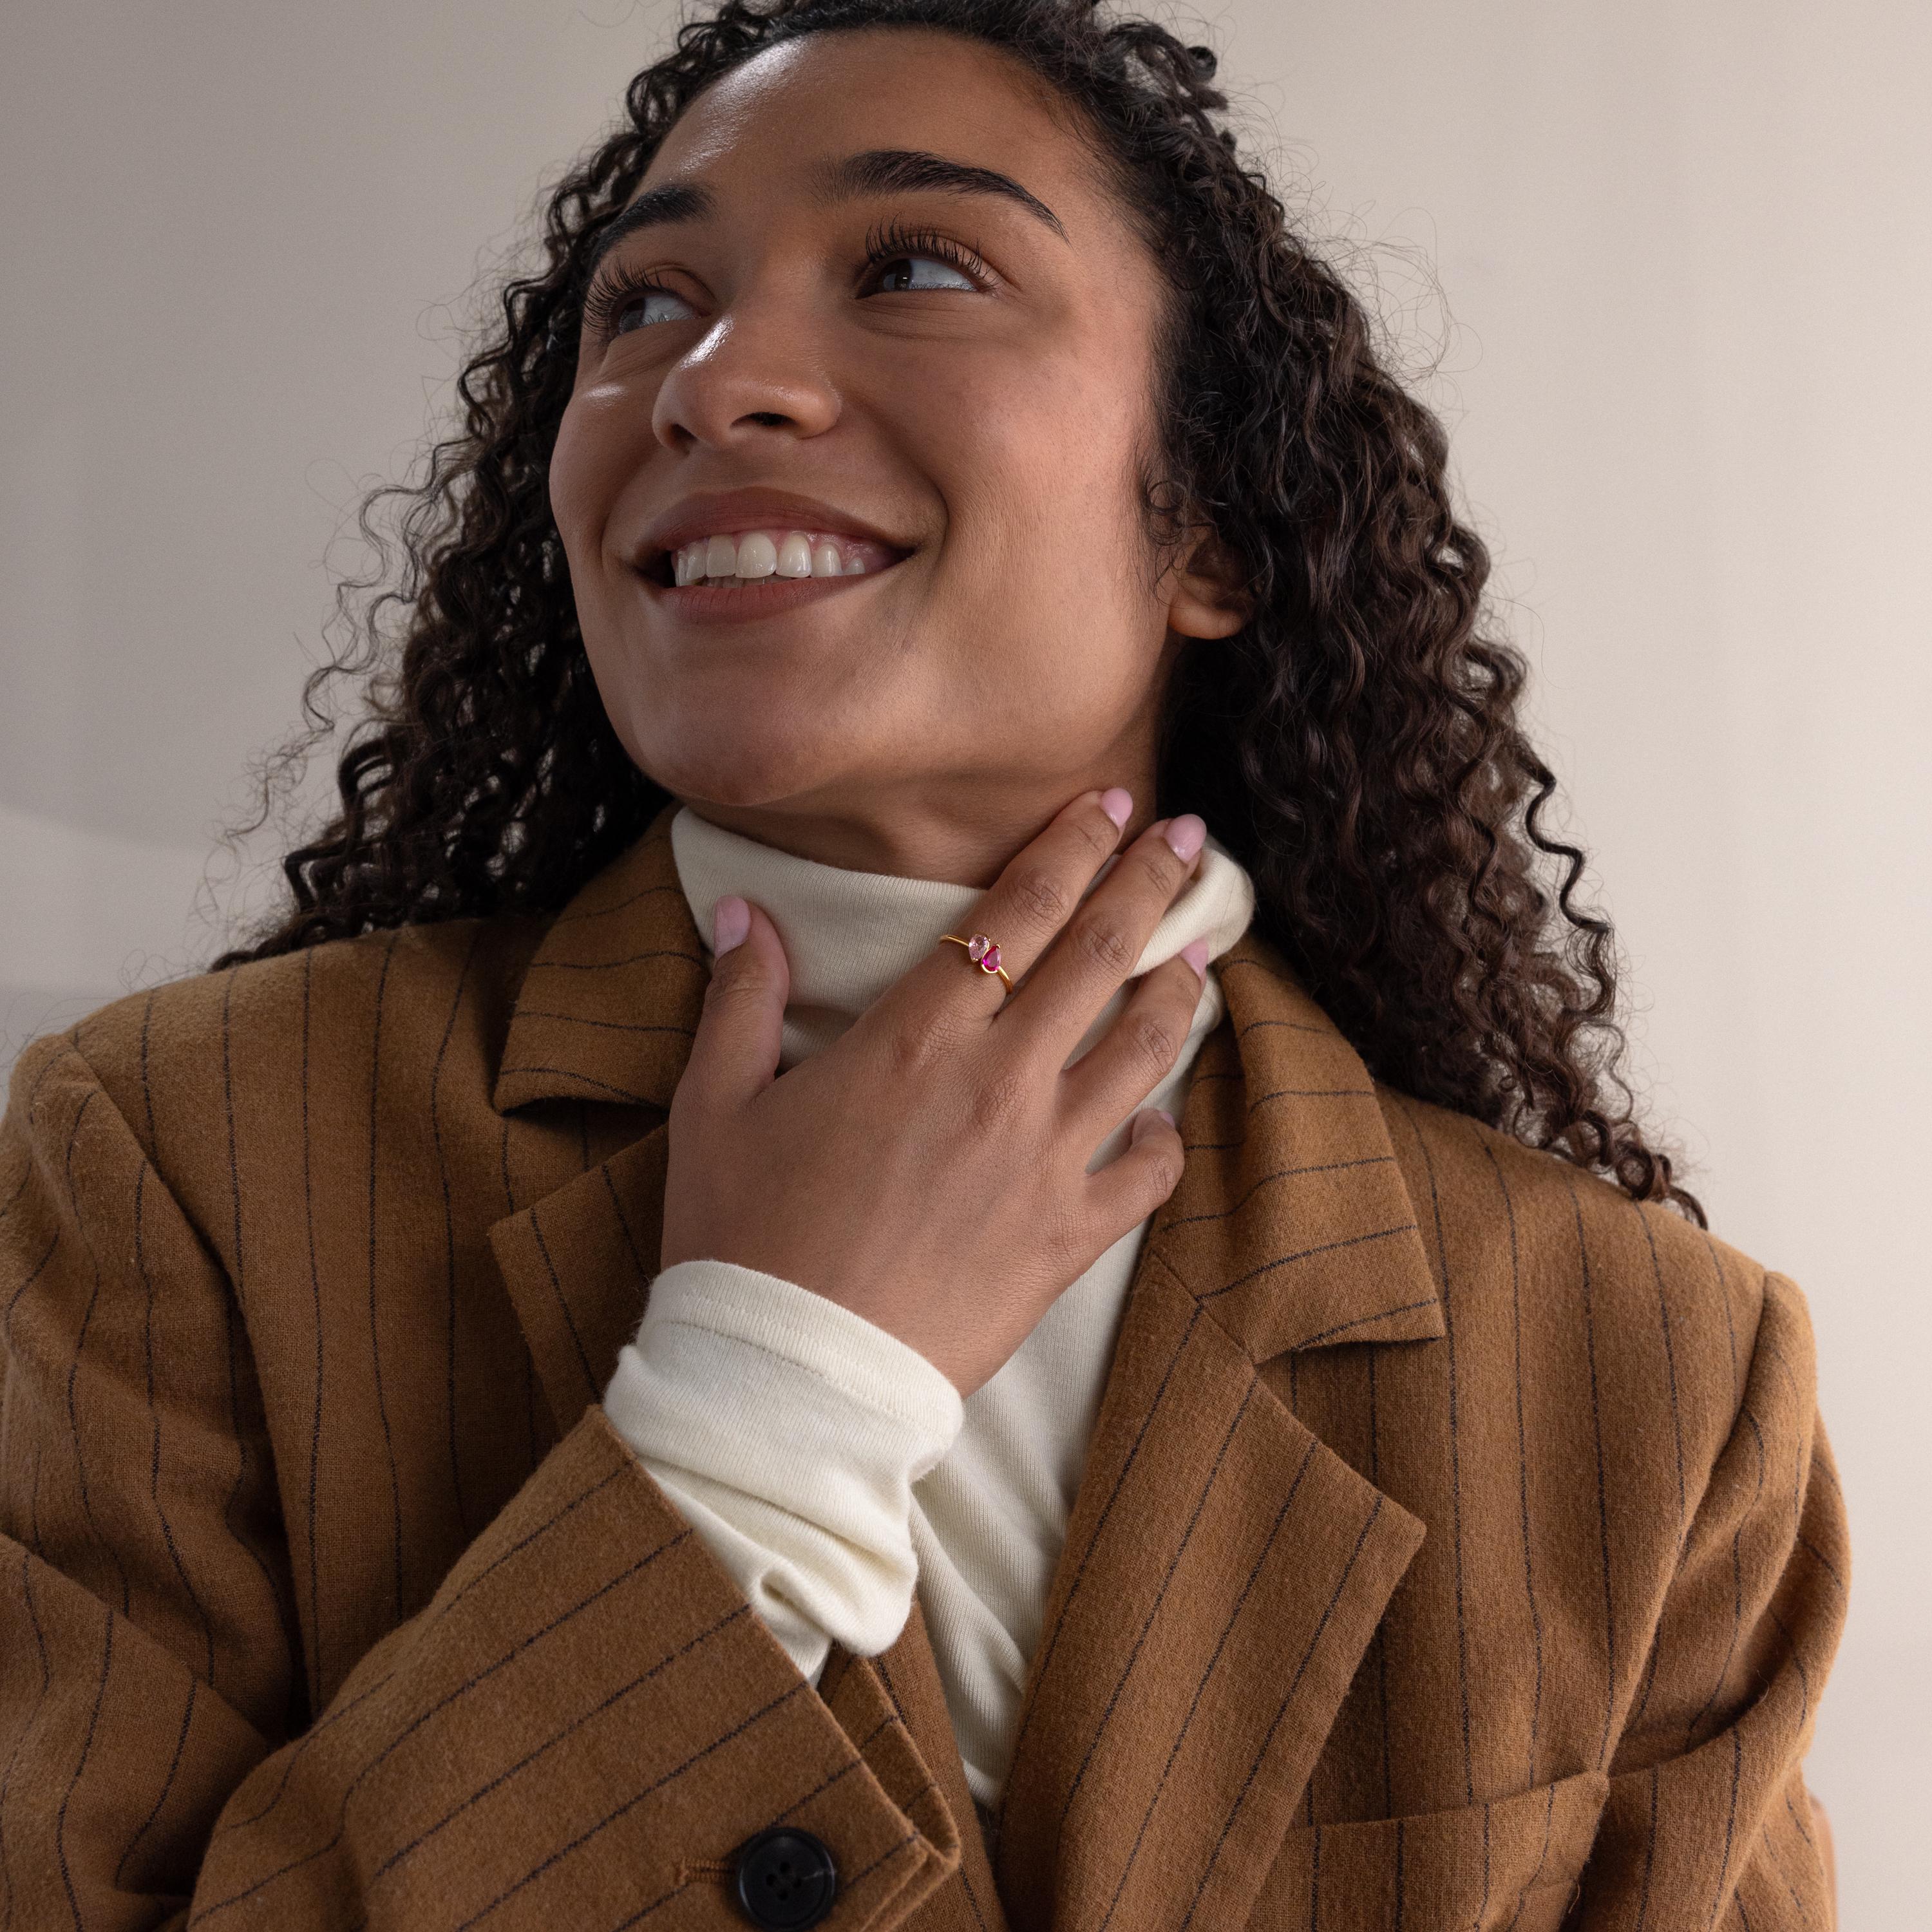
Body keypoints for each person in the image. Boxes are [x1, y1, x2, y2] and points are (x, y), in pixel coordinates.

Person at [0, 2, 1846, 1926]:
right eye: (644, 306)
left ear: (1210, 520)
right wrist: (760, 1410)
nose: (712, 386)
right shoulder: (180, 1165)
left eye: (918, 266)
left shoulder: (1656, 1371)